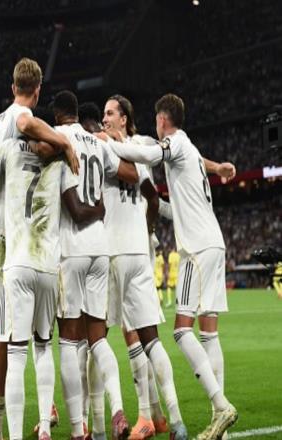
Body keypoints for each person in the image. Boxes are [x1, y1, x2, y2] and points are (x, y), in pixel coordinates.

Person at [105, 93, 238, 440]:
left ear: (162, 120)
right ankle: (220, 422)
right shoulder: (187, 147)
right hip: (214, 243)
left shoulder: (173, 142)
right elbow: (178, 186)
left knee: (181, 331)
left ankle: (221, 405)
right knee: (209, 333)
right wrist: (218, 168)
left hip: (195, 249)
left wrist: (112, 144)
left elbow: (151, 155)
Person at [0, 57, 78, 440]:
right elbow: (28, 127)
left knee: (8, 335)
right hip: (9, 237)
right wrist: (64, 143)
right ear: (38, 89)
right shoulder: (23, 122)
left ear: (12, 85)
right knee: (9, 337)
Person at [49, 91, 137, 440]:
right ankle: (118, 409)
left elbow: (72, 208)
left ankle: (77, 428)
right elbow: (131, 173)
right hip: (101, 246)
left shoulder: (59, 136)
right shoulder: (99, 143)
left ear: (58, 116)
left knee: (70, 341)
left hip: (72, 247)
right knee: (98, 338)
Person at [99, 94, 187, 440]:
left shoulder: (109, 146)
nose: (105, 118)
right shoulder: (142, 148)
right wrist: (148, 229)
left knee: (102, 336)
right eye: (103, 114)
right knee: (148, 336)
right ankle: (169, 418)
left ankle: (137, 418)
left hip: (116, 251)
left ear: (124, 118)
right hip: (139, 249)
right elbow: (152, 196)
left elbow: (144, 190)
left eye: (110, 113)